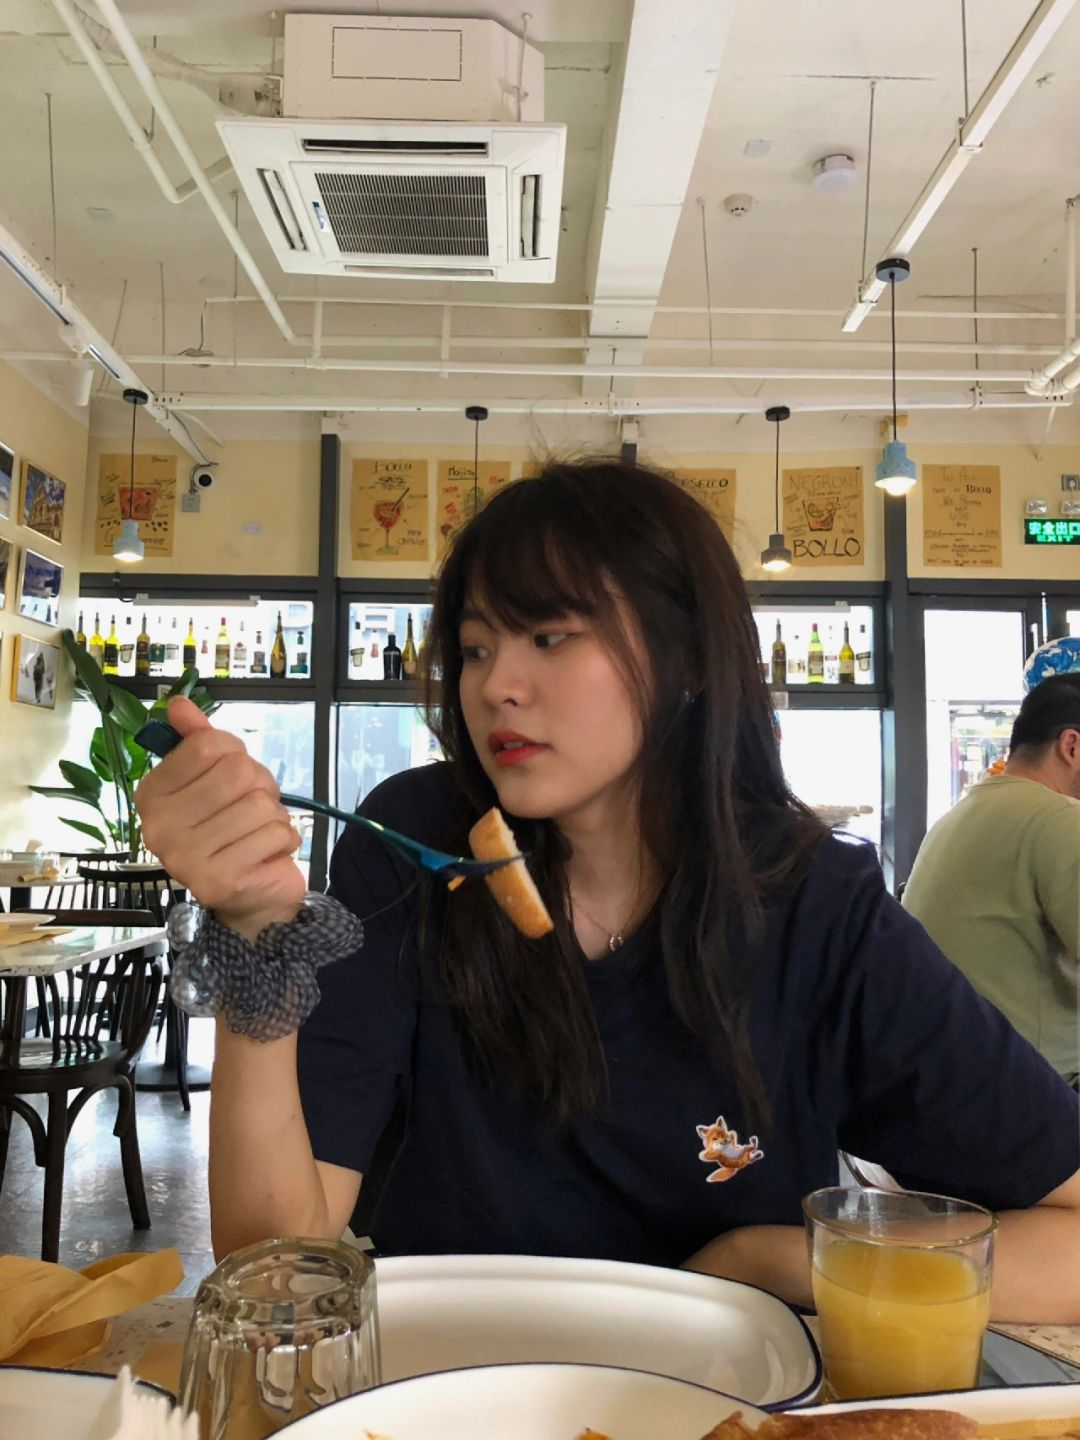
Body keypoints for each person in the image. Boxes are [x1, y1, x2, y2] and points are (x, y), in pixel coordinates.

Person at [135, 459, 1080, 1323]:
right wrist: (257, 934)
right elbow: (273, 1260)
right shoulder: (413, 847)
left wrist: (777, 1260)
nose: (495, 686)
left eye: (549, 635)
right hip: (446, 1391)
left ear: (688, 658)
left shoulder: (813, 905)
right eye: (474, 648)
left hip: (722, 1407)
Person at [903, 674, 1080, 1085]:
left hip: (945, 1078)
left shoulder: (959, 815)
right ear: (1072, 747)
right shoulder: (1060, 819)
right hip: (1027, 1087)